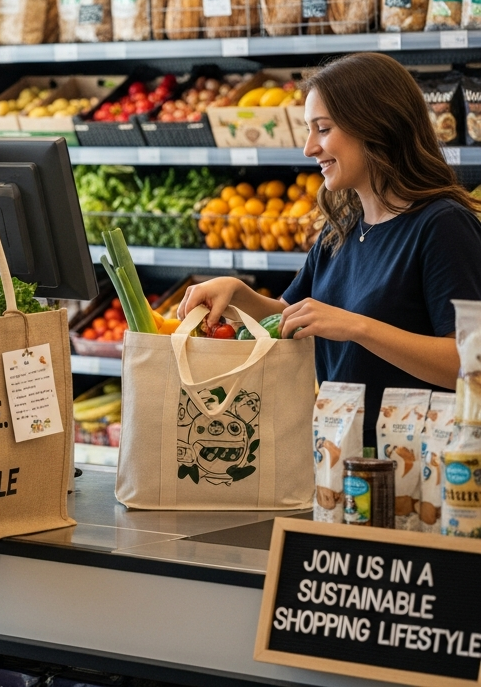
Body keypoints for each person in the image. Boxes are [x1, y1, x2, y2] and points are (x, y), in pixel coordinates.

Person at [178, 53, 481, 444]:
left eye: (322, 129)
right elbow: (293, 317)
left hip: (419, 460)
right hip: (338, 449)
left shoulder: (443, 226)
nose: (309, 148)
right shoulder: (342, 227)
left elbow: (468, 365)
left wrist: (357, 327)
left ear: (376, 125)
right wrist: (238, 292)